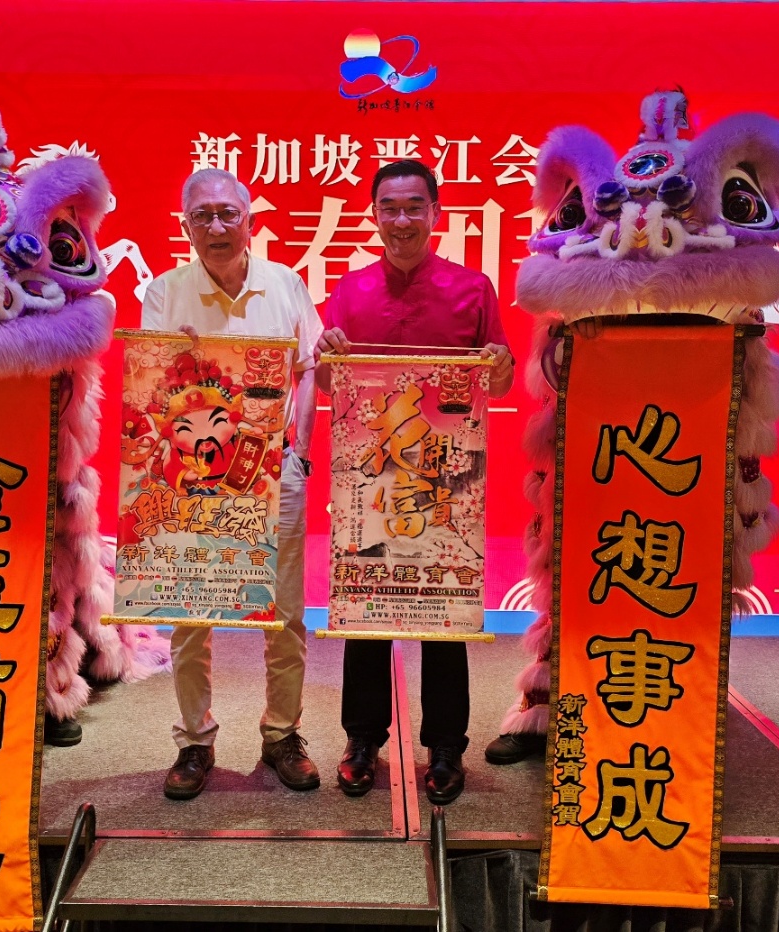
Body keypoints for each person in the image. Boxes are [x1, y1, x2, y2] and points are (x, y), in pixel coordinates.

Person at [313, 160, 515, 804]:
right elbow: (328, 382)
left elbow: (501, 381)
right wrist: (326, 356)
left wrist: (500, 363)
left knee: (444, 609)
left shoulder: (472, 288)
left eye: (413, 207)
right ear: (374, 215)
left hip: (447, 478)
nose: (402, 220)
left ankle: (446, 746)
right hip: (369, 478)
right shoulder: (350, 291)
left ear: (435, 213)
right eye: (390, 208)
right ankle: (362, 739)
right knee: (366, 605)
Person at [142, 168, 324, 800]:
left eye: (228, 214)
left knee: (286, 613)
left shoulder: (285, 284)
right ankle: (194, 739)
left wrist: (300, 452)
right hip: (194, 477)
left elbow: (309, 369)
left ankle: (281, 734)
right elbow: (150, 387)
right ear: (186, 225)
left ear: (250, 220)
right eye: (202, 216)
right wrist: (173, 360)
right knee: (190, 611)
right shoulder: (165, 292)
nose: (216, 227)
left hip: (275, 471)